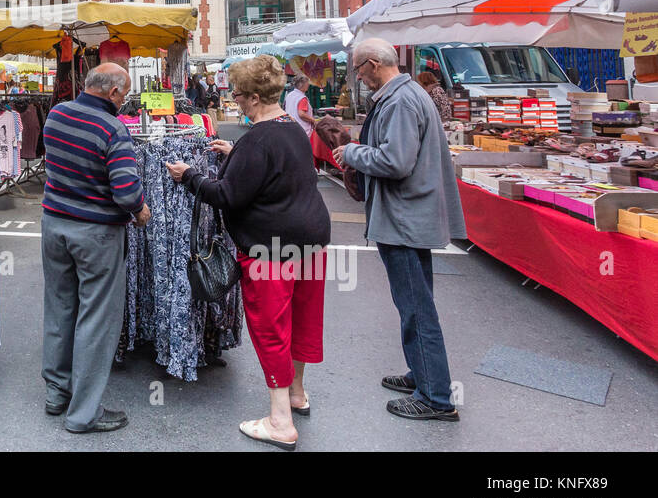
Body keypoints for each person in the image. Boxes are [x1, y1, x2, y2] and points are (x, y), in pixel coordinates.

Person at [166, 55, 331, 451]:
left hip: (270, 248)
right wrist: (235, 155)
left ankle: (280, 422)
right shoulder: (289, 127)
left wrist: (189, 175)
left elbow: (227, 196)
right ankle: (297, 394)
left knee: (270, 329)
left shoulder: (257, 139)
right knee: (303, 319)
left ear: (254, 97)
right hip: (310, 241)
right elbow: (275, 168)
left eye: (238, 95)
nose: (235, 100)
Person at [333, 39, 465, 422]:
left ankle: (436, 397)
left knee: (416, 309)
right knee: (414, 304)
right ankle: (422, 375)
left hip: (405, 219)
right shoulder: (406, 95)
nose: (358, 78)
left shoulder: (401, 101)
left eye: (358, 70)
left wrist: (353, 152)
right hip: (408, 216)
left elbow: (396, 161)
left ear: (373, 64)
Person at [40, 63, 152, 434]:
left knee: (60, 308)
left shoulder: (56, 114)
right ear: (114, 92)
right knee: (96, 319)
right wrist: (140, 210)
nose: (126, 99)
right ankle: (83, 413)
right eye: (126, 92)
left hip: (54, 225)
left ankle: (57, 392)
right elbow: (126, 191)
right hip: (95, 233)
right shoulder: (112, 128)